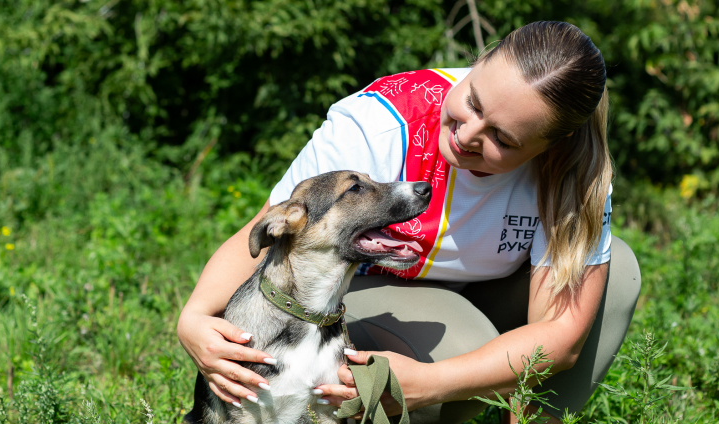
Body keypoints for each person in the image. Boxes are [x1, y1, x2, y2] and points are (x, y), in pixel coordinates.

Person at [177, 21, 641, 423]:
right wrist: (194, 317)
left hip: (478, 294)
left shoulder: (576, 174)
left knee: (614, 271)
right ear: (478, 64)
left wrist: (430, 383)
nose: (467, 134)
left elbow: (561, 335)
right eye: (474, 102)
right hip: (356, 293)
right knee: (466, 347)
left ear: (550, 146)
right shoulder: (378, 122)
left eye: (502, 137)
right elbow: (273, 229)